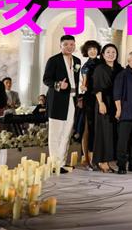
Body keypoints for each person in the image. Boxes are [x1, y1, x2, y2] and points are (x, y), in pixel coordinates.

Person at [42, 35, 81, 173]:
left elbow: (75, 80)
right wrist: (58, 84)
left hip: (72, 100)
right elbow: (46, 79)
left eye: (72, 44)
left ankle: (62, 163)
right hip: (57, 100)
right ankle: (54, 164)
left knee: (67, 132)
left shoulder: (77, 61)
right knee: (55, 133)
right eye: (66, 44)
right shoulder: (53, 60)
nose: (69, 47)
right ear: (61, 46)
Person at [92, 43, 123, 173]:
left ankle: (109, 160)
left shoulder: (119, 68)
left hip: (115, 103)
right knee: (103, 131)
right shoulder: (99, 68)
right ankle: (101, 161)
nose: (111, 54)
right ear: (103, 55)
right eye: (108, 52)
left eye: (113, 52)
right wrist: (101, 103)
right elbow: (97, 87)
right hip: (104, 101)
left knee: (112, 132)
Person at [79, 40, 102, 170]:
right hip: (90, 98)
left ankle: (97, 157)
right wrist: (83, 87)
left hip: (102, 97)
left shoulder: (102, 63)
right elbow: (84, 83)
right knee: (89, 127)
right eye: (90, 49)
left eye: (94, 49)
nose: (92, 51)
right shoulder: (86, 66)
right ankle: (87, 158)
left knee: (99, 128)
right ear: (86, 52)